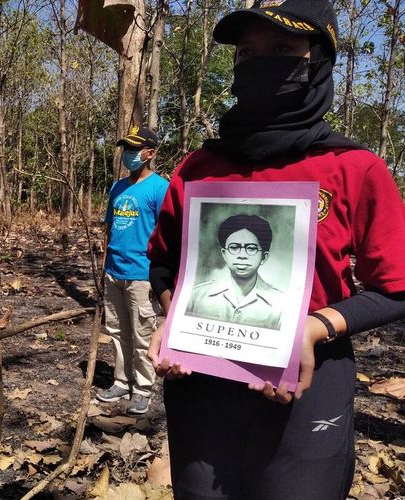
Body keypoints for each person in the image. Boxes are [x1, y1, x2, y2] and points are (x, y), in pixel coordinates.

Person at [146, 1, 405, 499]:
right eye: (247, 52)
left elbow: (395, 286)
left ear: (319, 61)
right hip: (202, 384)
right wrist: (172, 317)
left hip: (309, 385)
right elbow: (164, 264)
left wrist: (314, 327)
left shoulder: (354, 168)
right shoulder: (199, 168)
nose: (260, 62)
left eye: (283, 49)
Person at [96, 125, 169, 415]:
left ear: (150, 153)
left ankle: (142, 388)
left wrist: (162, 275)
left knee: (141, 333)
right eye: (126, 148)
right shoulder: (117, 187)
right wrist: (104, 265)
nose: (128, 154)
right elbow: (109, 226)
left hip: (142, 273)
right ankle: (121, 380)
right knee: (116, 330)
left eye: (134, 149)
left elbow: (167, 234)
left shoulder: (160, 188)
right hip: (114, 270)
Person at [186, 214, 285, 330]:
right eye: (234, 247)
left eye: (251, 248)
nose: (242, 255)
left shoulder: (282, 304)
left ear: (264, 256)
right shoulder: (196, 296)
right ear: (224, 254)